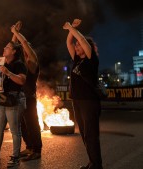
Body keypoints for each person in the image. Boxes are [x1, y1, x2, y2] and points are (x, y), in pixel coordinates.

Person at [63, 19, 103, 169]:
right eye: (77, 45)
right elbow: (69, 43)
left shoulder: (92, 60)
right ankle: (92, 163)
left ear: (88, 48)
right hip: (77, 101)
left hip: (89, 101)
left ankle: (97, 165)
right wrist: (70, 30)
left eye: (79, 45)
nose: (76, 45)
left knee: (91, 135)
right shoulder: (76, 60)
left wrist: (72, 29)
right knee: (85, 135)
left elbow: (80, 38)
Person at [0, 40, 27, 167]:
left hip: (14, 100)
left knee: (14, 130)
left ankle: (15, 157)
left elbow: (22, 81)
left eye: (7, 47)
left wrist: (8, 73)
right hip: (2, 99)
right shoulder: (1, 63)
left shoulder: (19, 64)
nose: (4, 48)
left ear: (14, 51)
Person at [11, 21, 42, 160]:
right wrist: (14, 35)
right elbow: (13, 49)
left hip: (29, 97)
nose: (25, 50)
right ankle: (29, 147)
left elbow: (25, 46)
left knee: (32, 124)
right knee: (22, 124)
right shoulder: (22, 64)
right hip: (19, 97)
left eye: (27, 48)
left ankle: (37, 150)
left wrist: (17, 33)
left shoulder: (33, 62)